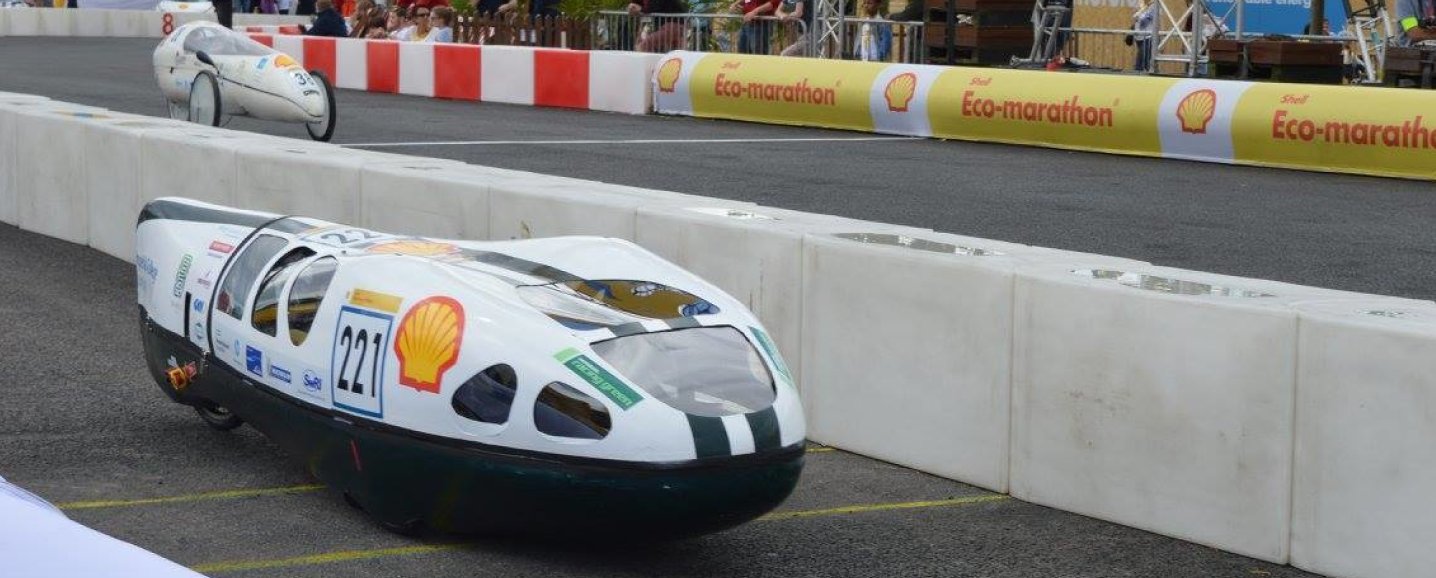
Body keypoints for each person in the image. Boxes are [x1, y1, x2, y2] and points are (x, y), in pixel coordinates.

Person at [1128, 0, 1157, 72]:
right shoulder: (1141, 4)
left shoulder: (1153, 7)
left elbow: (1144, 21)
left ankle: (1142, 71)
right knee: (1142, 57)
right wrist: (1140, 10)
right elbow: (1134, 17)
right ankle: (1140, 70)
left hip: (1148, 38)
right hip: (1139, 37)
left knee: (1143, 60)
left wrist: (1141, 11)